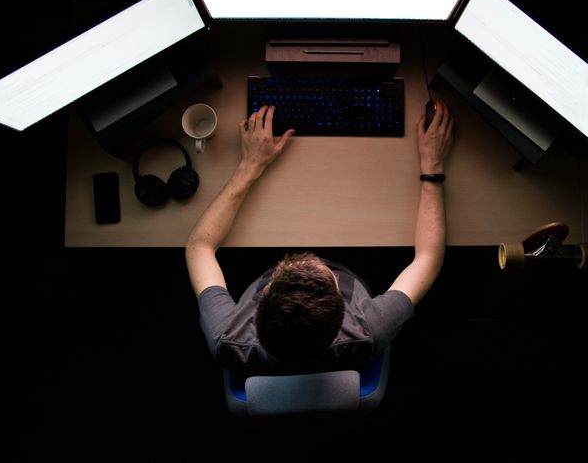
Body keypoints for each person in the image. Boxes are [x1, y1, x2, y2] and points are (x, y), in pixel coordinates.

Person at [185, 102, 454, 375]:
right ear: (342, 314)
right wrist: (433, 165)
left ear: (260, 302)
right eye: (329, 278)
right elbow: (429, 258)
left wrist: (249, 165)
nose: (313, 257)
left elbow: (199, 247)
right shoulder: (368, 330)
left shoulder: (226, 338)